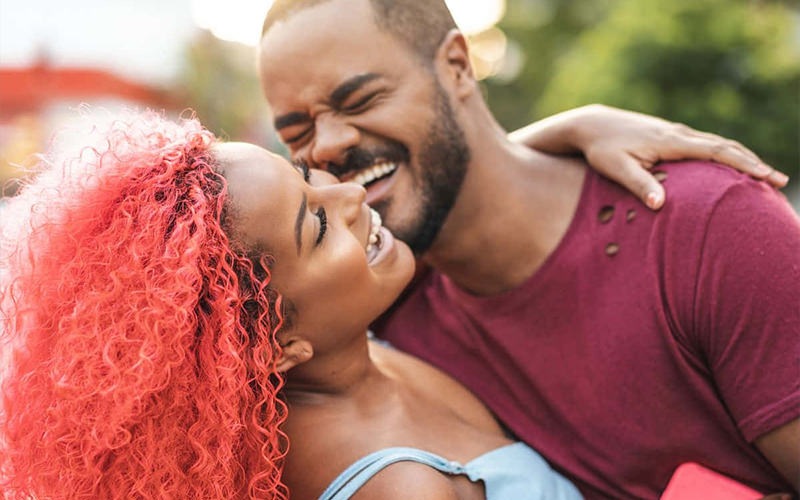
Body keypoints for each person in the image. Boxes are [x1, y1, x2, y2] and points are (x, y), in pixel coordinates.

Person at [257, 0, 800, 497]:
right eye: (297, 130)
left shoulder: (706, 227)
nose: (326, 146)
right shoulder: (375, 302)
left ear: (457, 67)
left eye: (360, 98)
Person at [0, 111, 583, 499]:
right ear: (276, 342)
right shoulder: (398, 487)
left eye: (308, 178)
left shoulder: (344, 345)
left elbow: (459, 190)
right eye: (319, 222)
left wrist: (572, 132)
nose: (352, 193)